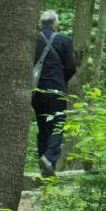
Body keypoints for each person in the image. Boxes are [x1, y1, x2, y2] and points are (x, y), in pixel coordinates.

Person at [33, 10, 76, 177]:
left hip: (36, 91)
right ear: (55, 24)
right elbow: (71, 67)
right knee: (57, 126)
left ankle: (45, 169)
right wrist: (61, 80)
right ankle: (49, 159)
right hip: (56, 90)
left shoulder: (32, 39)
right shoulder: (64, 40)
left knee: (43, 127)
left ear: (40, 23)